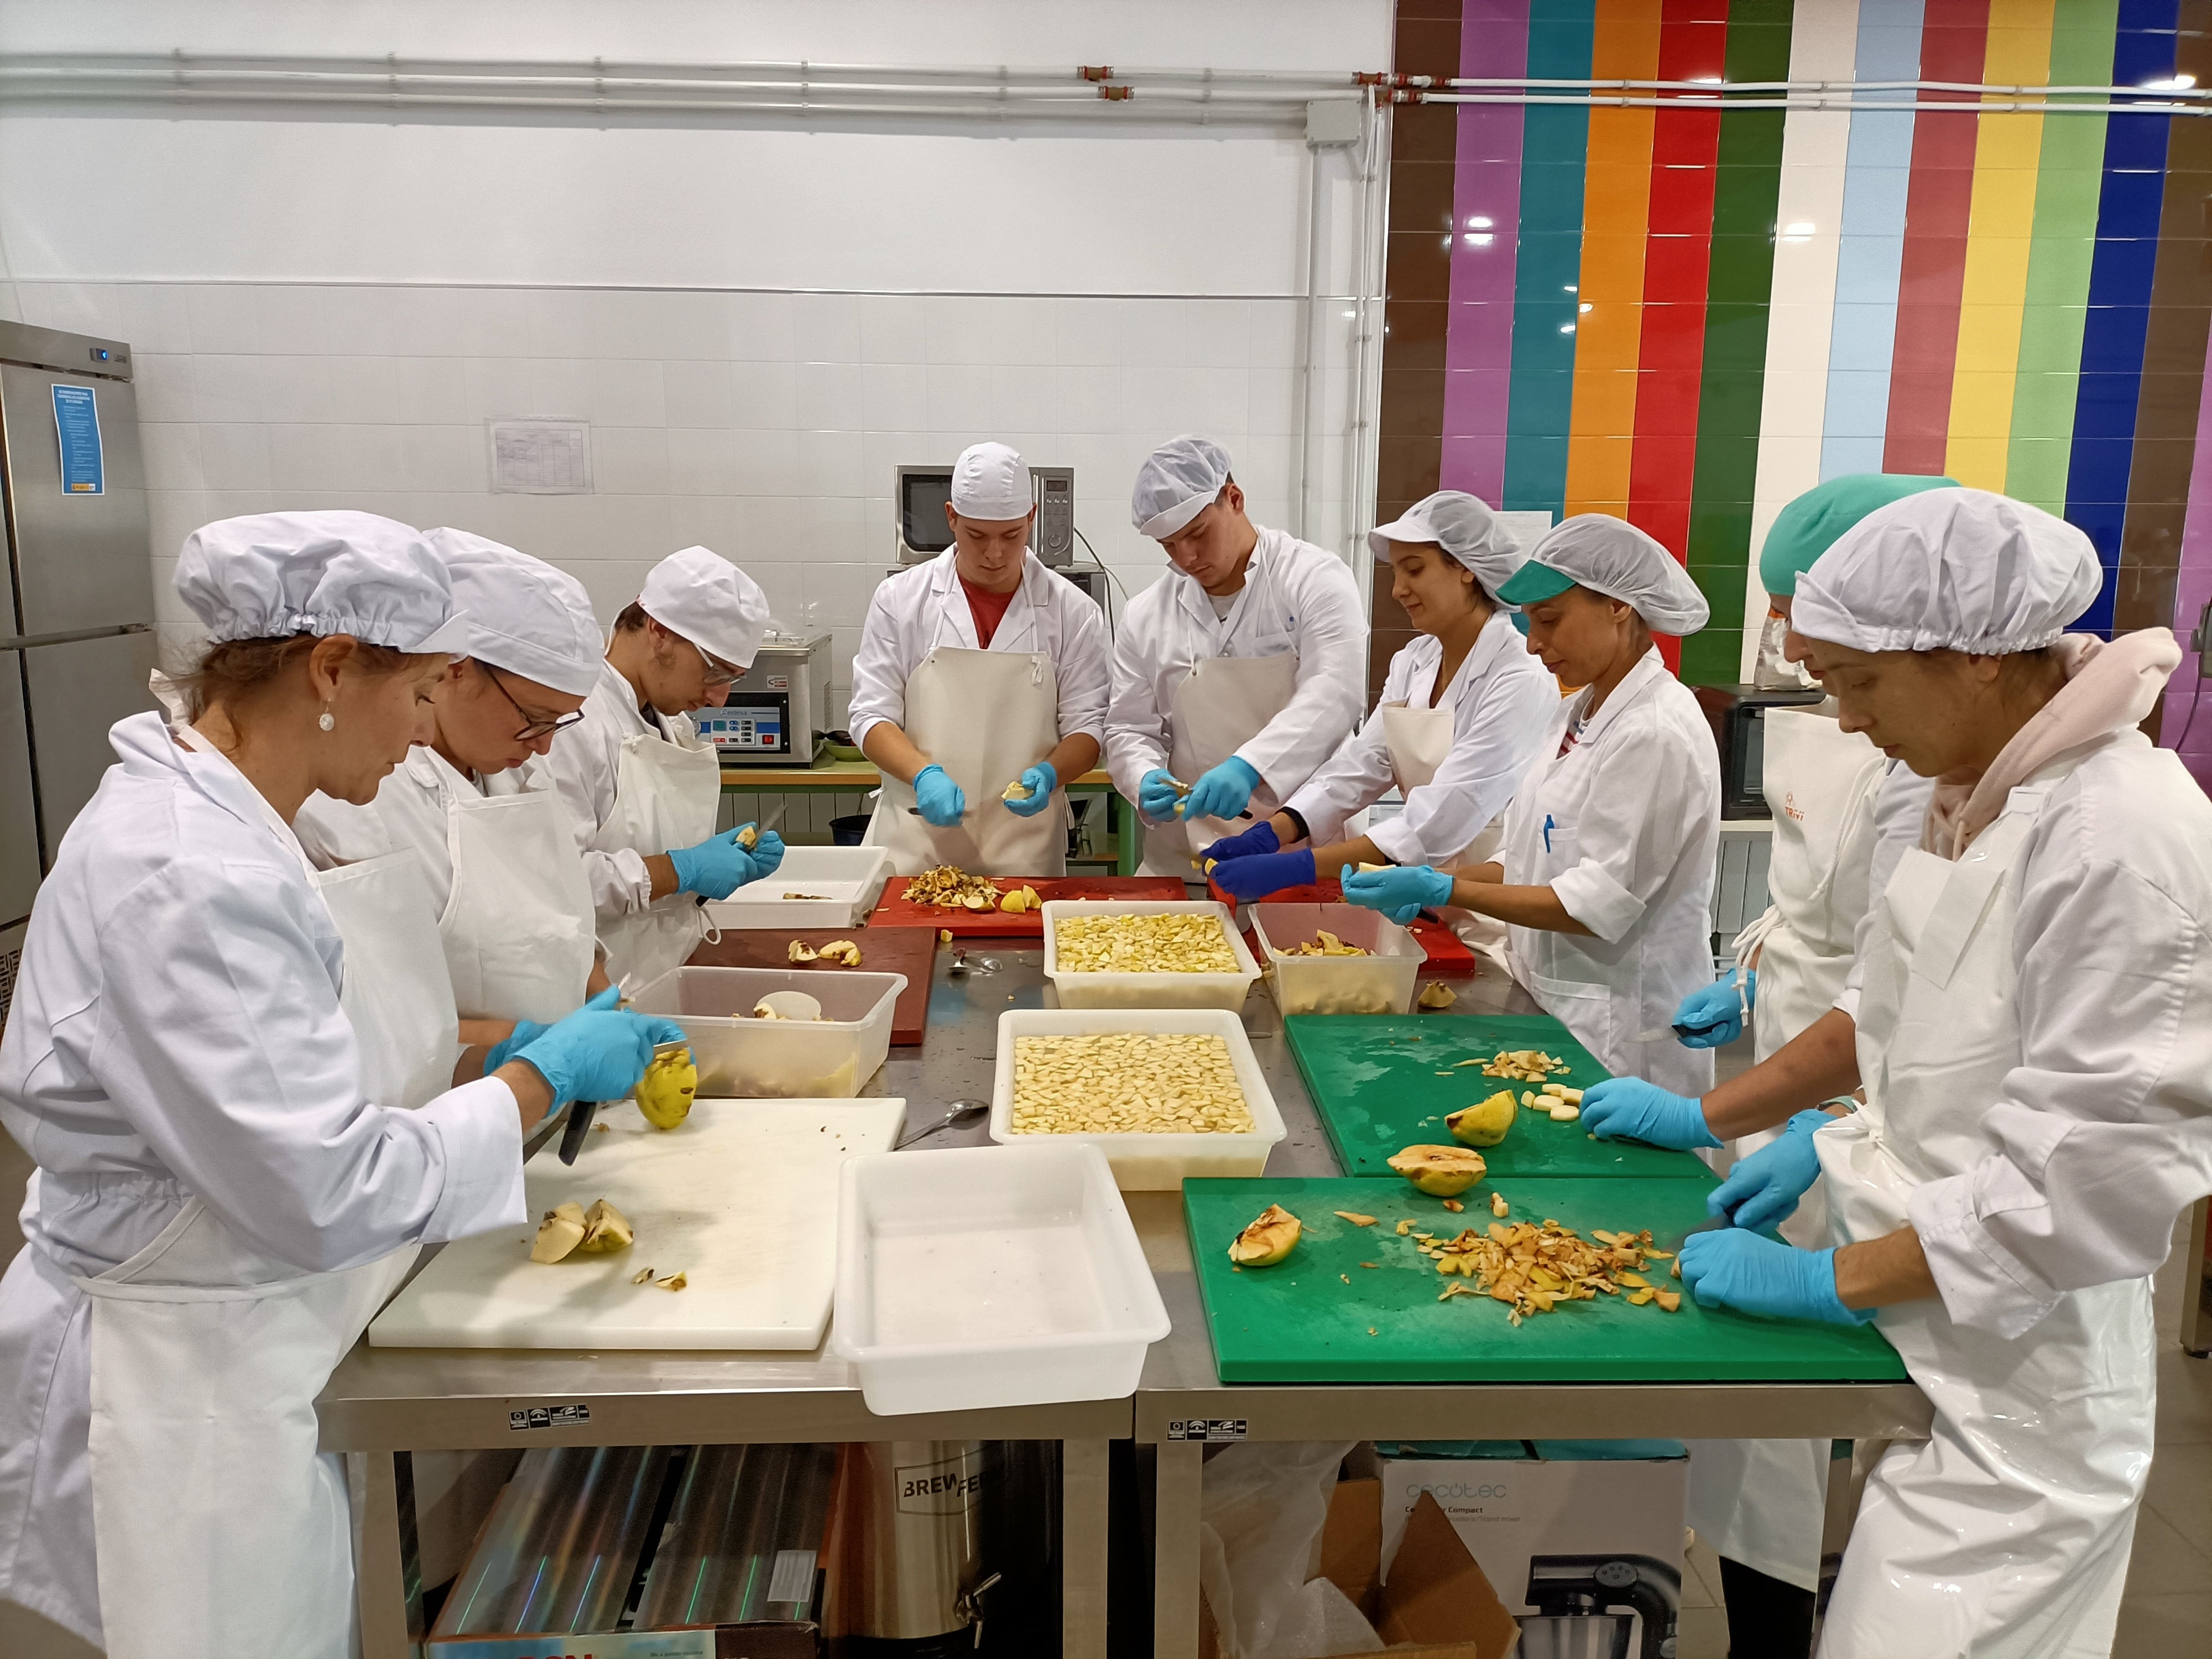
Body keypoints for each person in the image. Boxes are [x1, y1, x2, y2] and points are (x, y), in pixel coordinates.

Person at [0, 511, 681, 1656]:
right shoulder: (187, 875)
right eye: (417, 695)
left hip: (258, 1329)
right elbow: (323, 1184)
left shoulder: (227, 825)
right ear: (329, 667)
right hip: (178, 1382)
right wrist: (536, 1077)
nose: (421, 736)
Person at [1588, 488, 2212, 1657]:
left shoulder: (2117, 839)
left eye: (1857, 683)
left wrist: (1825, 1280)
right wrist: (1803, 1140)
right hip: (1929, 1313)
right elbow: (1892, 1015)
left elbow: (2078, 1187)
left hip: (2023, 1375)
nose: (1847, 719)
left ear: (1972, 658)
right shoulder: (1979, 797)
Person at [1657, 475, 1953, 1657]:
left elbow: (1889, 998)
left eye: (1843, 666)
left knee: (1821, 1417)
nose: (1824, 691)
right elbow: (1824, 921)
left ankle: (1782, 1620)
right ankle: (1766, 1613)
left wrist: (1795, 1116)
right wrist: (1746, 977)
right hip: (1801, 1066)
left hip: (1856, 1105)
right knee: (1759, 1421)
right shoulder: (1860, 733)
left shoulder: (1950, 781)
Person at [1339, 515, 1719, 1098]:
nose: (1535, 643)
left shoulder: (1654, 732)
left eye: (1550, 621)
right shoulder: (1576, 714)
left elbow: (1590, 905)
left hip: (1623, 1034)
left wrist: (1445, 891)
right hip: (1558, 1005)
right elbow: (1526, 859)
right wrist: (1428, 883)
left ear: (1617, 606)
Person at [294, 529, 611, 1049]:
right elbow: (373, 1016)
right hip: (452, 1103)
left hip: (540, 1089)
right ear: (456, 672)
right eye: (534, 718)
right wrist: (541, 1050)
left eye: (557, 722)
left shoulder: (513, 764)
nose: (545, 746)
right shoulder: (355, 794)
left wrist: (606, 1002)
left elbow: (557, 916)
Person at [1201, 492, 1556, 942]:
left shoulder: (1518, 681)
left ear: (1467, 568)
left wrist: (1298, 866)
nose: (1398, 590)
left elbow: (1443, 817)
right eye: (1396, 572)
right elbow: (1361, 766)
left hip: (1489, 910)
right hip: (1410, 897)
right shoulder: (1415, 661)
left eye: (1415, 569)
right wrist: (1273, 832)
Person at [523, 545, 784, 993]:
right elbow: (551, 887)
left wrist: (708, 869)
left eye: (733, 680)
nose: (720, 699)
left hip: (661, 972)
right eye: (716, 673)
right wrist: (680, 870)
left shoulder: (666, 719)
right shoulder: (571, 726)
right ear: (660, 632)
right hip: (598, 991)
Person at [1103, 435, 1366, 875]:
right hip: (1187, 858)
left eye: (1197, 534)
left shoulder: (1315, 580)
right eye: (1169, 545)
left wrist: (1249, 767)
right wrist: (1144, 776)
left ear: (1235, 499)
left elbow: (1336, 693)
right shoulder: (1146, 614)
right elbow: (1129, 726)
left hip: (1307, 847)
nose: (1187, 557)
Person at [850, 441, 1110, 876]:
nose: (995, 553)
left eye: (1011, 535)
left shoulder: (1072, 611)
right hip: (917, 844)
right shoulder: (901, 600)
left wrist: (1049, 774)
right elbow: (870, 716)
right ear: (951, 517)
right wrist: (923, 775)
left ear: (1030, 518)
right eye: (977, 535)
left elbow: (1089, 727)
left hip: (1024, 851)